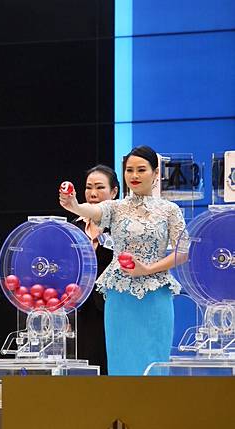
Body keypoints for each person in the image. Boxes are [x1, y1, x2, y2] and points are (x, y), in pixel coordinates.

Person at [59, 146, 186, 375]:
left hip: (156, 294)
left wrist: (148, 269)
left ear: (156, 173)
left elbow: (183, 252)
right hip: (119, 295)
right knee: (120, 361)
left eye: (141, 170)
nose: (134, 176)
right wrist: (74, 205)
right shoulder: (115, 207)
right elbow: (91, 211)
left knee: (154, 361)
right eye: (129, 170)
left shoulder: (170, 210)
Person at [70, 165, 119, 375]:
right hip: (81, 308)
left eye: (100, 187)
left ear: (114, 192)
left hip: (114, 305)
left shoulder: (121, 226)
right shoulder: (74, 226)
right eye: (89, 187)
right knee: (86, 368)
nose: (93, 193)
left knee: (113, 364)